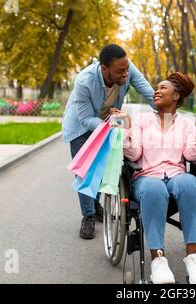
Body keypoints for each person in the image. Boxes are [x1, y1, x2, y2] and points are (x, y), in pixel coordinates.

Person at [114, 72, 196, 284]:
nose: (156, 91)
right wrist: (127, 126)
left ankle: (193, 258)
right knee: (154, 188)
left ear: (176, 96)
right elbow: (134, 154)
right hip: (146, 177)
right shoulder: (143, 120)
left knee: (191, 184)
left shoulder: (185, 124)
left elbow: (191, 156)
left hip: (176, 175)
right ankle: (158, 260)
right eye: (156, 88)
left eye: (163, 88)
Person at [62, 44, 155, 240]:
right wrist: (109, 127)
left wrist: (165, 107)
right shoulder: (84, 81)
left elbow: (147, 90)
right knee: (86, 171)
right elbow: (86, 118)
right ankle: (87, 216)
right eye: (120, 71)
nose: (125, 74)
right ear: (104, 69)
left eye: (127, 69)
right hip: (81, 126)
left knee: (104, 167)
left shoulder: (126, 69)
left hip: (108, 123)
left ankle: (95, 205)